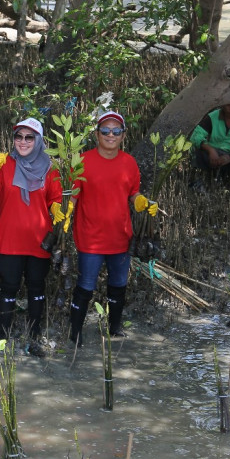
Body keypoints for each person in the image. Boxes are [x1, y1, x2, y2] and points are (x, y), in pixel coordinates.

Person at [0, 118, 63, 357]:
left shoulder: (52, 168)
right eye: (18, 137)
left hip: (40, 239)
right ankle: (3, 333)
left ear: (39, 141)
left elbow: (55, 198)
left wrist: (58, 210)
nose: (23, 142)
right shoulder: (5, 164)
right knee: (8, 287)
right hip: (9, 238)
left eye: (29, 137)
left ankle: (34, 334)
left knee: (36, 287)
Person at [69, 111, 159, 346]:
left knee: (118, 285)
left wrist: (141, 202)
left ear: (123, 135)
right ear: (97, 134)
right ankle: (75, 333)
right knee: (85, 286)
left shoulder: (129, 162)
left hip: (121, 237)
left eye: (116, 131)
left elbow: (133, 193)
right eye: (105, 131)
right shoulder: (82, 160)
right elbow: (73, 197)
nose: (111, 135)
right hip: (90, 238)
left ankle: (115, 328)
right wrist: (65, 214)